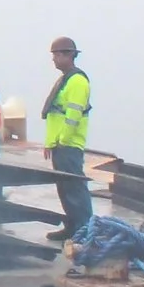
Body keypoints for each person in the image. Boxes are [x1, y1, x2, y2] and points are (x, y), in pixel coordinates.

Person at [42, 37, 94, 242]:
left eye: (56, 55)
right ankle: (72, 227)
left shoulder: (78, 81)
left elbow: (73, 116)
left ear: (68, 55)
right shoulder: (66, 79)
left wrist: (63, 140)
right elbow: (56, 115)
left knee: (75, 189)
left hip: (69, 145)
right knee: (64, 189)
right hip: (60, 145)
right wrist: (50, 143)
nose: (53, 59)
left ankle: (85, 230)